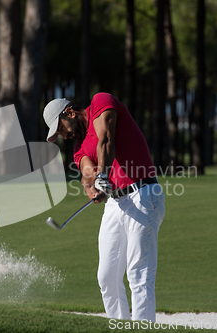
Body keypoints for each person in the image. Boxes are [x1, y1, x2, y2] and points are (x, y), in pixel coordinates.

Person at [43, 92, 165, 322]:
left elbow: (106, 139)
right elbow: (86, 172)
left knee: (139, 274)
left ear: (69, 112)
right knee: (106, 278)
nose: (64, 135)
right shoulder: (79, 146)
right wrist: (93, 187)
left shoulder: (101, 101)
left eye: (61, 129)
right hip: (116, 204)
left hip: (144, 194)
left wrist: (103, 175)